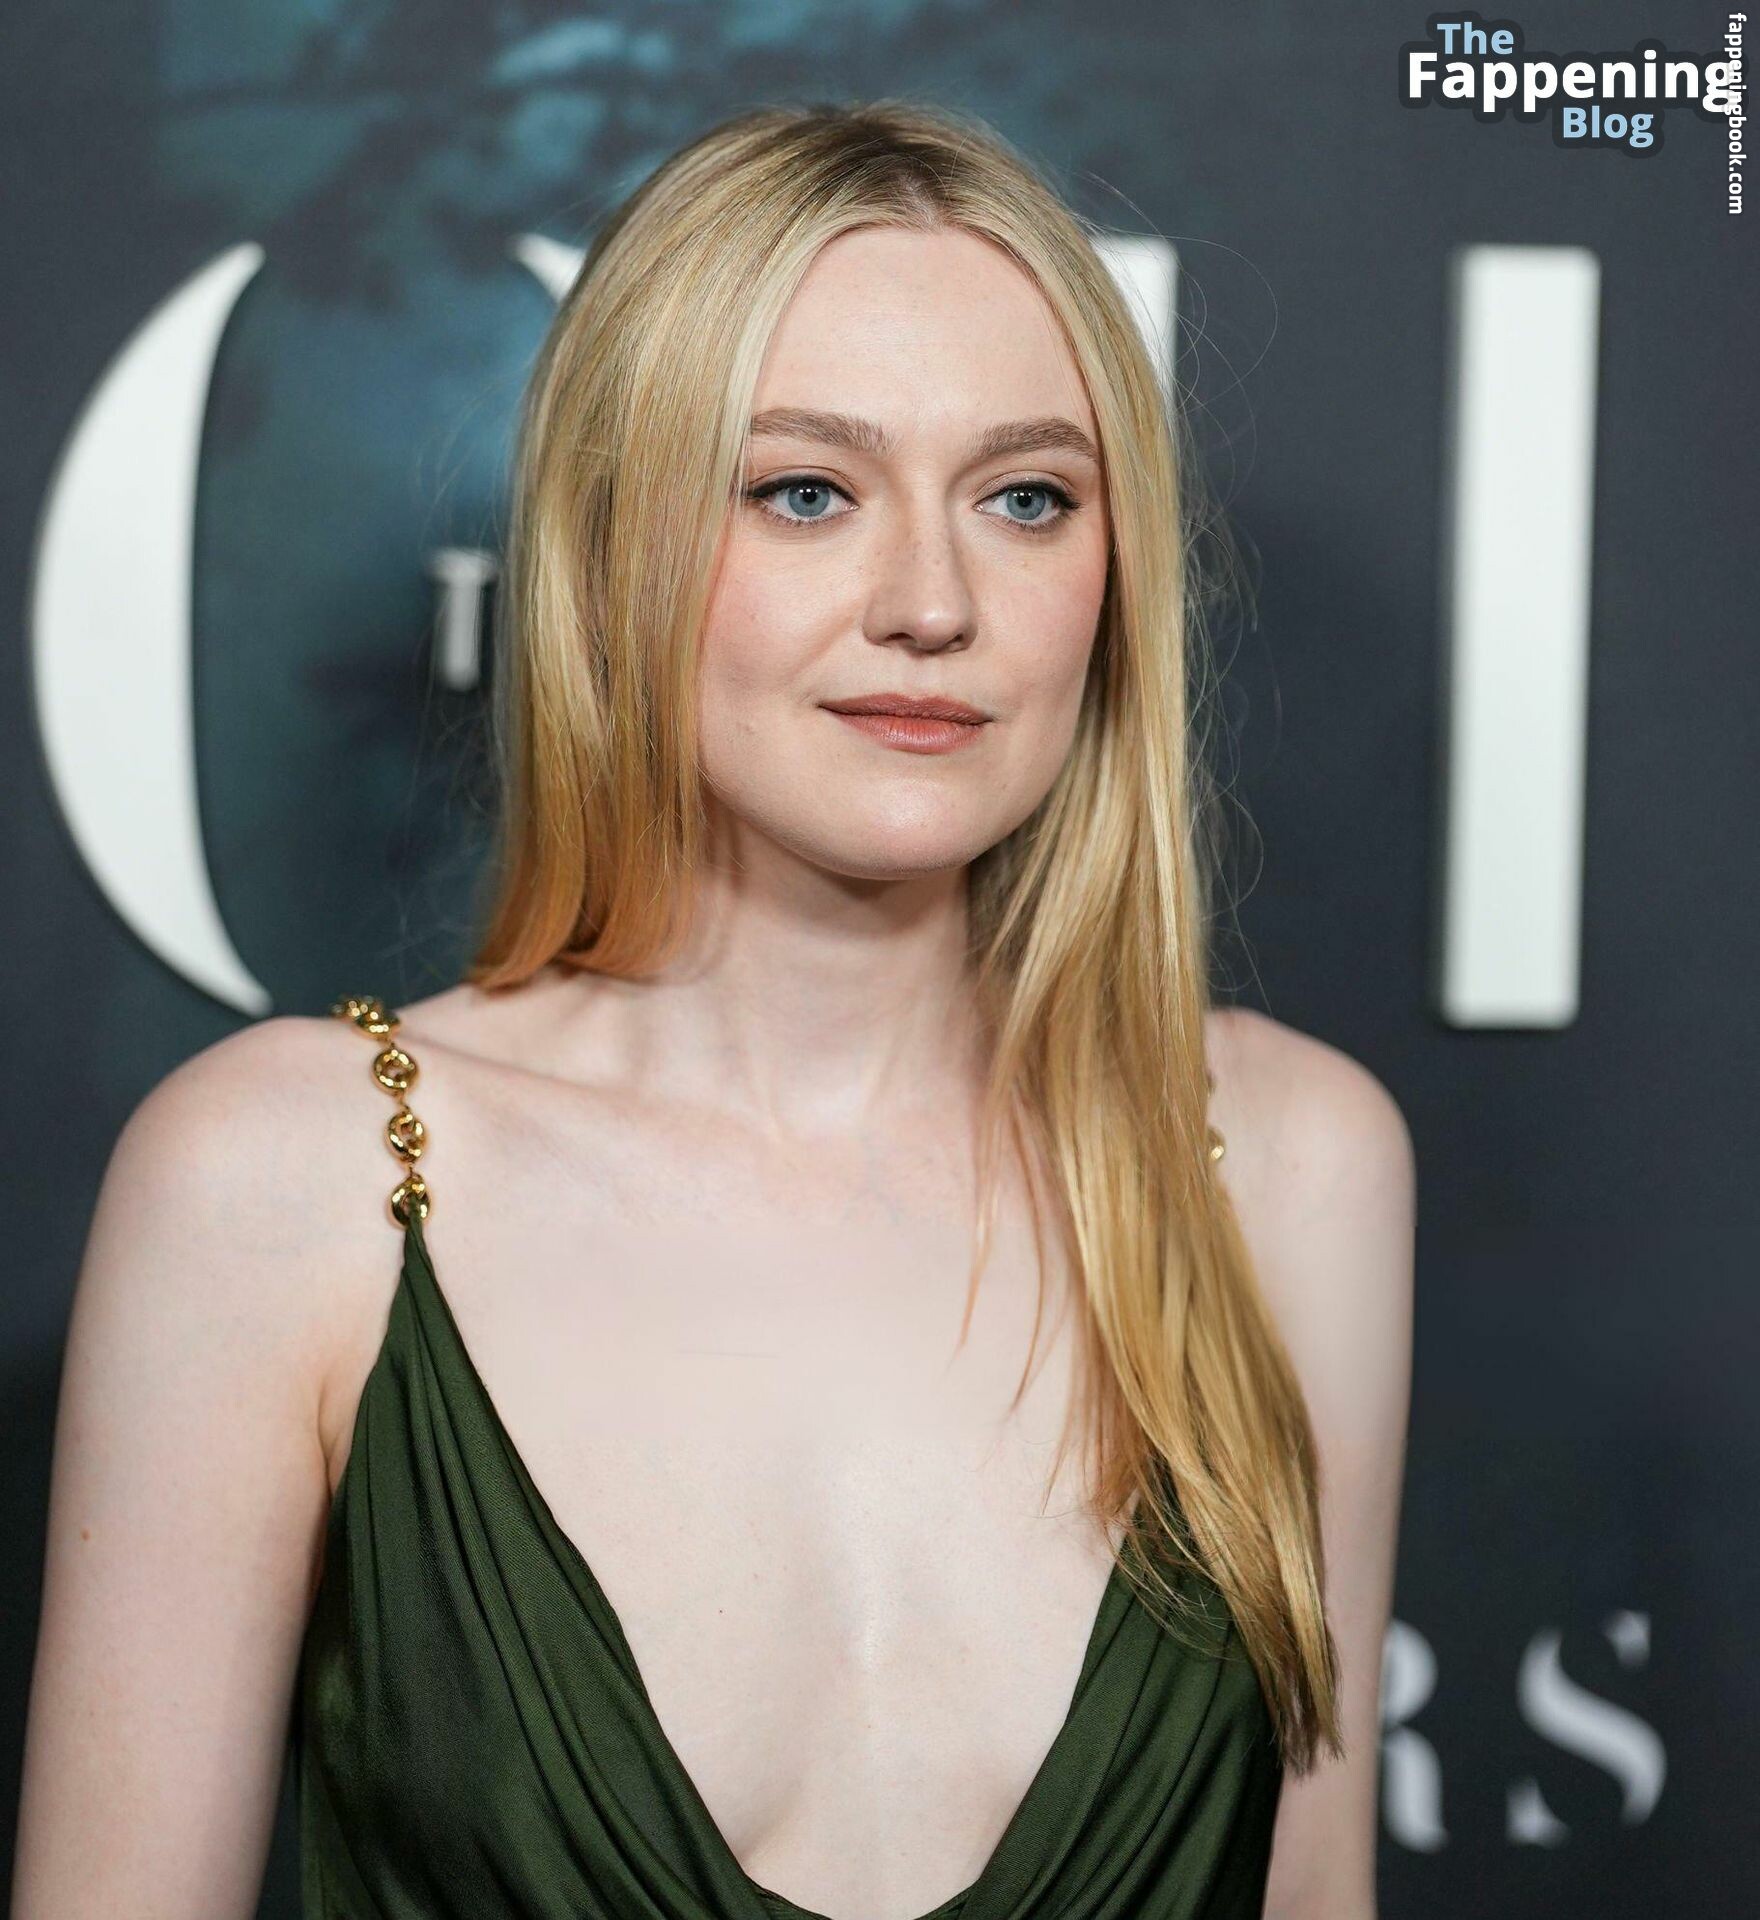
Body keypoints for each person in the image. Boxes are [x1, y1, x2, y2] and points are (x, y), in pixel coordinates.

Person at [13, 100, 1414, 1920]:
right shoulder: (294, 1182)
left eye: (1027, 499)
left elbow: (1313, 1890)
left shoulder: (1285, 1163)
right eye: (804, 491)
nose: (932, 603)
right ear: (616, 548)